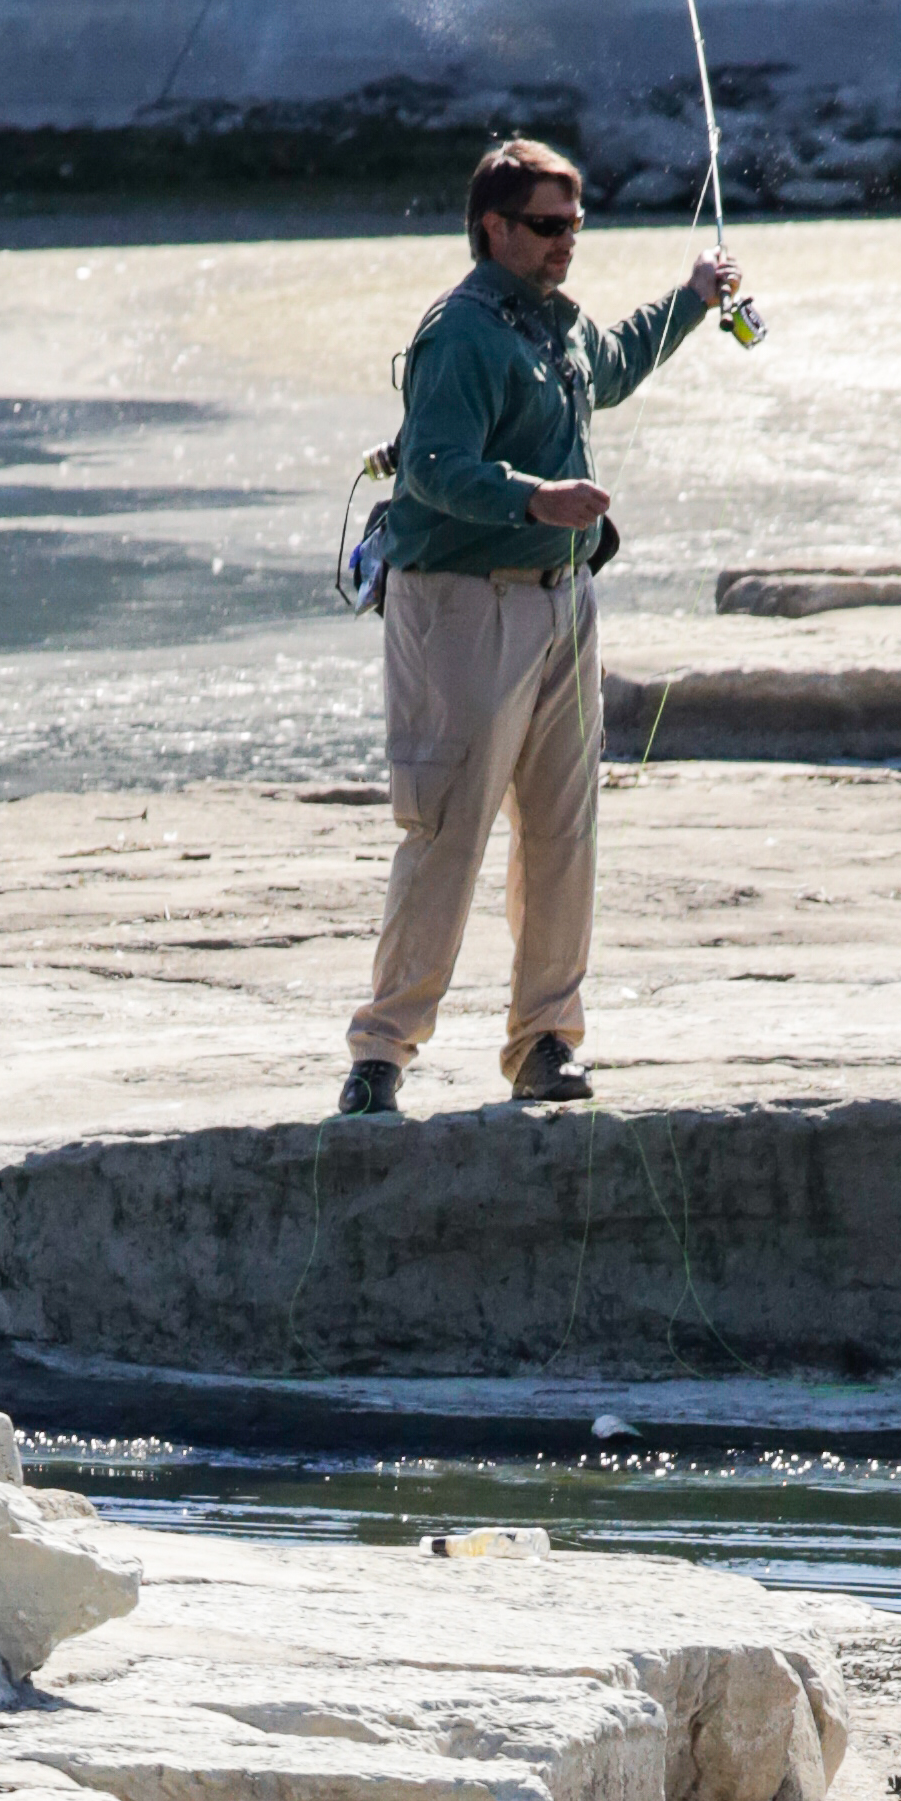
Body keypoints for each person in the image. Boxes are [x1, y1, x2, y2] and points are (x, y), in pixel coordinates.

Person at [335, 134, 741, 1121]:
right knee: (447, 829)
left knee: (564, 831)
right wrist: (539, 499)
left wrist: (692, 299)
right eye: (549, 227)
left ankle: (546, 1043)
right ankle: (381, 1055)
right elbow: (433, 468)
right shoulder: (462, 334)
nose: (568, 244)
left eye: (577, 226)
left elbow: (615, 364)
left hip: (563, 601)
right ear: (494, 227)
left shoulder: (554, 324)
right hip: (463, 607)